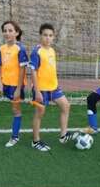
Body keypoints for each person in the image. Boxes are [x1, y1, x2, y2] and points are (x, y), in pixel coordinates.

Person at [28, 23, 71, 151]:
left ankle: (63, 135)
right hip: (41, 89)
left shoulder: (52, 50)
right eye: (45, 35)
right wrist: (37, 92)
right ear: (40, 36)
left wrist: (56, 83)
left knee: (66, 106)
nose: (48, 38)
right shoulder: (37, 52)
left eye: (50, 35)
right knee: (40, 113)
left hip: (54, 88)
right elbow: (33, 72)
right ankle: (35, 141)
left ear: (53, 37)